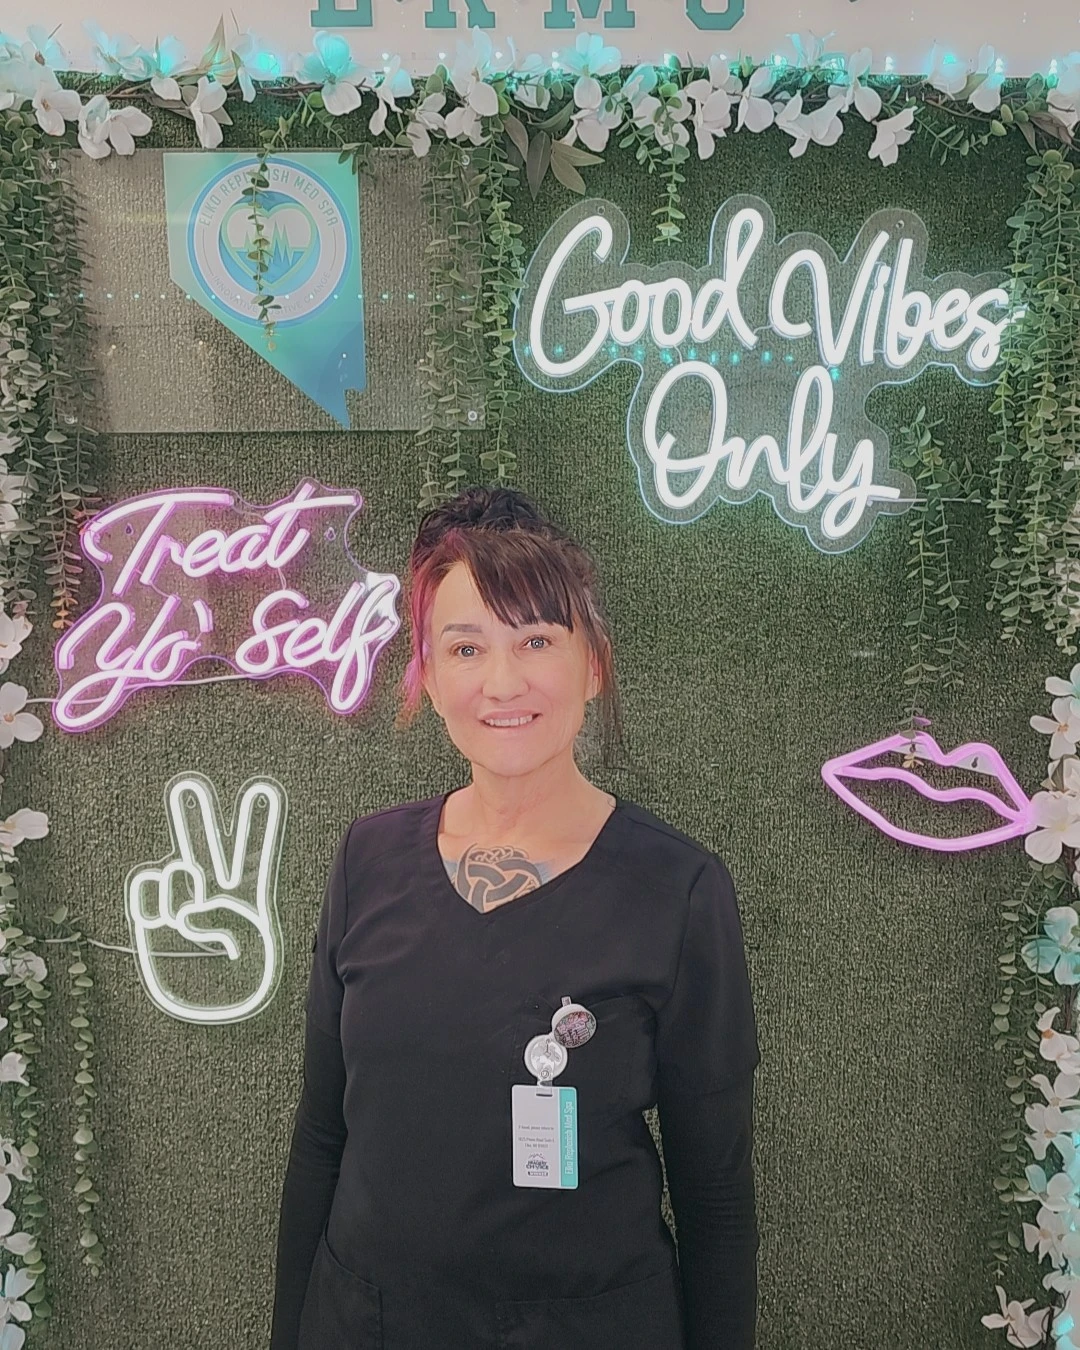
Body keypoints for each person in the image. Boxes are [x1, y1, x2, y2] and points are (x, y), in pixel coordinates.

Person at [270, 485, 761, 1350]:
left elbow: (714, 1195)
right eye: (466, 647)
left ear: (592, 664)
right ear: (429, 674)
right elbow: (321, 1137)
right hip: (366, 1325)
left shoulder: (677, 888)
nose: (503, 683)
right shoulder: (367, 859)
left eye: (536, 640)